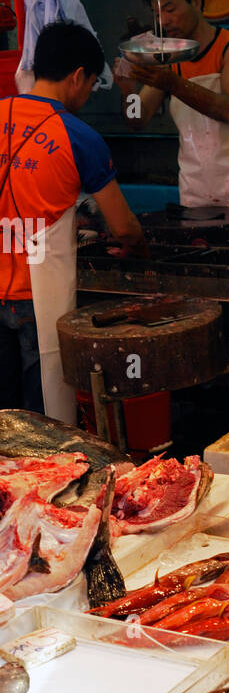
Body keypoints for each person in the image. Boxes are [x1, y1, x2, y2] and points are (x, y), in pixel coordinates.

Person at [0, 21, 145, 420]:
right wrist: (140, 249)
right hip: (35, 299)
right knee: (43, 421)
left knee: (4, 419)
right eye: (92, 84)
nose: (86, 95)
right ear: (78, 76)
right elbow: (124, 227)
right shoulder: (79, 136)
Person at [115, 0, 229, 228]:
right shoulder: (169, 59)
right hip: (195, 192)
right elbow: (137, 120)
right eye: (157, 14)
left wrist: (172, 84)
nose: (163, 21)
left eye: (170, 9)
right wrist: (128, 92)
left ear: (196, 2)